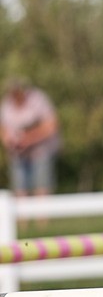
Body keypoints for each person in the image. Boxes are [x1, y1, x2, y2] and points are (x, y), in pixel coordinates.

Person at [0, 79, 61, 221]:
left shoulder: (38, 100)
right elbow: (3, 129)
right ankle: (22, 223)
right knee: (19, 187)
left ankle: (42, 222)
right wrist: (9, 140)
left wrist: (29, 139)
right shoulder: (6, 105)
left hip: (41, 150)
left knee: (41, 185)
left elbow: (51, 125)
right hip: (18, 153)